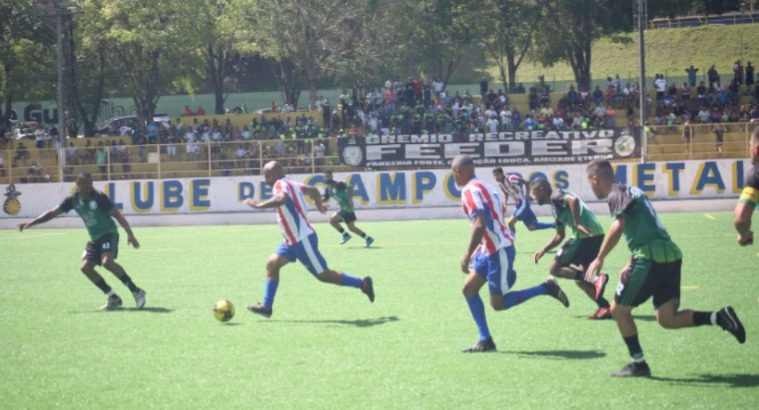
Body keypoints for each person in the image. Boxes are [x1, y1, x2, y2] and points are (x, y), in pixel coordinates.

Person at [585, 159, 745, 377]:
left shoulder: (614, 193)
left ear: (595, 178)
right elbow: (646, 227)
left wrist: (599, 258)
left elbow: (618, 225)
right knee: (667, 318)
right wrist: (631, 261)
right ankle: (719, 317)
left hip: (650, 258)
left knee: (617, 311)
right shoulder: (630, 190)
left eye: (590, 183)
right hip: (670, 256)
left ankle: (638, 364)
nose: (591, 188)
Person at [452, 155, 569, 352]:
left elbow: (480, 224)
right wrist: (480, 248)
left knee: (498, 304)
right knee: (468, 290)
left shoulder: (469, 191)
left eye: (453, 172)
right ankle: (485, 340)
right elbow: (493, 221)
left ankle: (545, 287)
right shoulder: (485, 186)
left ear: (458, 172)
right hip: (489, 249)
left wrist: (466, 255)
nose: (452, 176)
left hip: (499, 251)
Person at [244, 161, 374, 318]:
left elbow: (281, 199)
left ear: (274, 174)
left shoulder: (279, 184)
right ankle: (266, 306)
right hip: (292, 241)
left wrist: (257, 205)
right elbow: (313, 190)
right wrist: (319, 207)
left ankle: (363, 283)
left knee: (324, 275)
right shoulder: (292, 183)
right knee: (272, 264)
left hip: (302, 239)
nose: (264, 179)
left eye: (266, 175)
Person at [17, 172, 146, 310]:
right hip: (94, 238)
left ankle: (137, 291)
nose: (89, 186)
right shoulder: (72, 200)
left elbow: (118, 215)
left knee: (107, 262)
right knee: (85, 268)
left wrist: (130, 234)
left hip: (109, 233)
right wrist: (32, 222)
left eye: (90, 183)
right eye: (85, 183)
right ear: (77, 183)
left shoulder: (99, 197)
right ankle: (113, 297)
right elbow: (52, 213)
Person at [530, 178, 611, 320]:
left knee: (554, 269)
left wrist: (577, 223)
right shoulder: (556, 207)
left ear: (542, 189)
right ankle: (605, 307)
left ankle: (596, 279)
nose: (534, 197)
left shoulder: (556, 196)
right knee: (581, 279)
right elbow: (560, 235)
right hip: (594, 235)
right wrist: (544, 249)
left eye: (535, 193)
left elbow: (573, 200)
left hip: (583, 236)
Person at [492, 167, 555, 233]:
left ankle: (511, 242)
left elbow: (526, 182)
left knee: (510, 223)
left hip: (523, 203)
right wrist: (504, 204)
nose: (496, 177)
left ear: (502, 174)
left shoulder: (511, 179)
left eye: (497, 175)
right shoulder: (500, 184)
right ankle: (555, 224)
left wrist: (527, 194)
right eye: (494, 176)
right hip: (518, 204)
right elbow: (506, 194)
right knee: (532, 226)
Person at [322, 170, 374, 247]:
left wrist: (350, 199)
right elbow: (325, 199)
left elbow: (349, 186)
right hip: (345, 208)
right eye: (325, 176)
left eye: (328, 176)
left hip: (347, 207)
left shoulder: (338, 183)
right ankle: (368, 238)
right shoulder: (328, 188)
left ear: (332, 176)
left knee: (332, 220)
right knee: (352, 228)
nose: (326, 178)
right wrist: (319, 201)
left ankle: (345, 235)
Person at [734, 127, 759, 246]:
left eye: (750, 145)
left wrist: (744, 234)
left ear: (757, 149)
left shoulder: (755, 176)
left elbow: (741, 219)